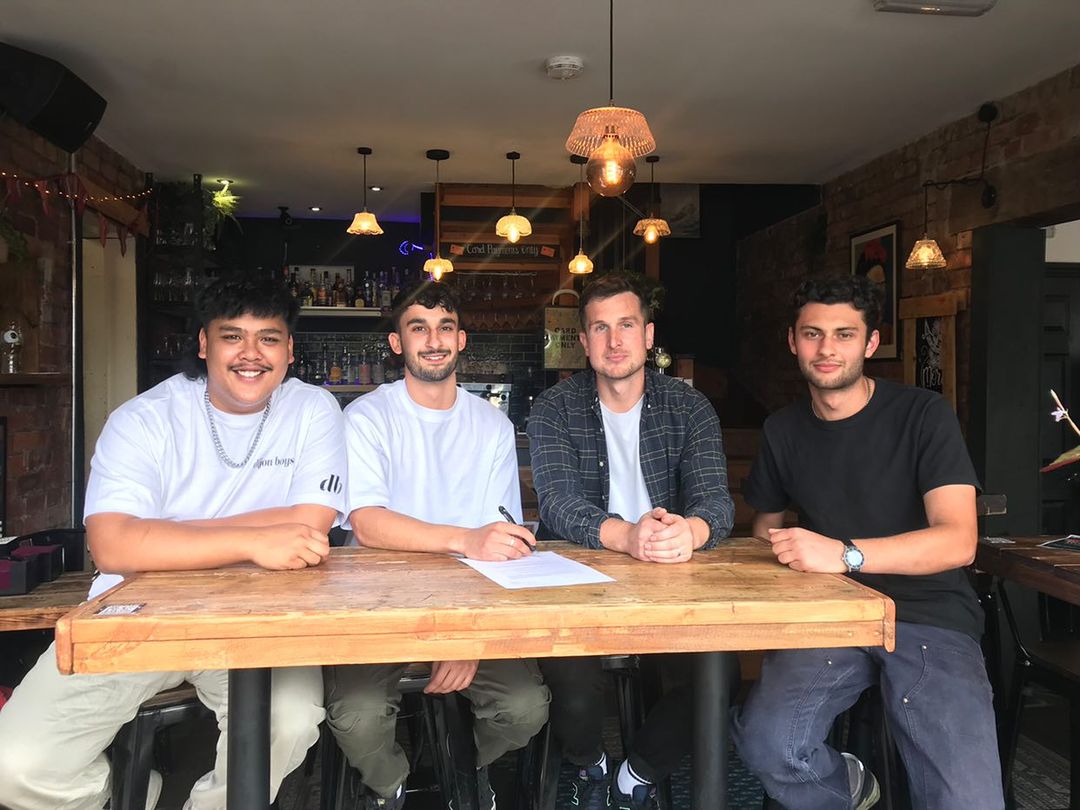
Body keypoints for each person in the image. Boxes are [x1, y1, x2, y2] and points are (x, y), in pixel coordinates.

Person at [0, 275, 345, 810]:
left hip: (265, 617)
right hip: (136, 612)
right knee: (13, 766)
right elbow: (113, 548)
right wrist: (255, 542)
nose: (251, 354)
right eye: (232, 336)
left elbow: (309, 526)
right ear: (204, 344)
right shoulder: (143, 419)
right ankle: (132, 795)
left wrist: (162, 533)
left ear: (289, 350)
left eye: (269, 338)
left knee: (291, 720)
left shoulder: (313, 410)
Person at [732, 274, 1003, 810]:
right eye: (812, 334)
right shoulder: (783, 429)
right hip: (832, 614)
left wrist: (843, 554)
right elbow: (765, 529)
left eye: (844, 334)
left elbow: (959, 542)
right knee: (767, 744)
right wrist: (784, 562)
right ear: (792, 341)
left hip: (929, 616)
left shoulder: (923, 414)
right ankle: (851, 788)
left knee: (968, 800)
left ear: (871, 343)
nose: (826, 349)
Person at [324, 282, 549, 810]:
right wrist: (464, 540)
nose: (433, 340)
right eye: (418, 328)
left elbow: (503, 543)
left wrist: (468, 634)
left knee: (524, 707)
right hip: (377, 607)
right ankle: (392, 786)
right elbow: (369, 525)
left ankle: (458, 769)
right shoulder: (366, 417)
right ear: (397, 343)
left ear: (461, 339)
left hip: (468, 604)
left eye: (445, 327)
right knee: (356, 715)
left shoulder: (492, 425)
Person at [527, 272, 735, 810]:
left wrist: (690, 532)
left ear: (648, 335)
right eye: (600, 328)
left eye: (626, 325)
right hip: (576, 579)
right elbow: (557, 504)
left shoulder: (689, 407)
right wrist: (628, 536)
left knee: (718, 675)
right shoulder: (554, 407)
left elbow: (716, 501)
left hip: (670, 578)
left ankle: (637, 773)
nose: (614, 341)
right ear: (583, 340)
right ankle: (588, 761)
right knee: (570, 685)